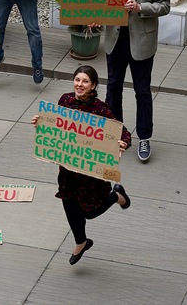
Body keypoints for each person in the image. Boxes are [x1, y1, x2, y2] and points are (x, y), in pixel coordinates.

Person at [32, 65, 131, 265]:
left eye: (85, 81)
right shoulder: (65, 100)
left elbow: (123, 132)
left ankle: (116, 195)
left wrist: (124, 143)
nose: (80, 84)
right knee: (69, 204)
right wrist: (41, 123)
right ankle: (81, 242)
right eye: (77, 80)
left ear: (93, 85)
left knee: (90, 212)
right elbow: (56, 124)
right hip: (68, 169)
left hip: (90, 173)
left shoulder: (101, 109)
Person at [102, 0, 170, 162]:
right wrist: (95, 17)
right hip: (115, 39)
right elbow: (102, 0)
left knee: (142, 91)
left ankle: (144, 137)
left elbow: (164, 5)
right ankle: (115, 134)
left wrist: (141, 8)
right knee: (113, 87)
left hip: (141, 42)